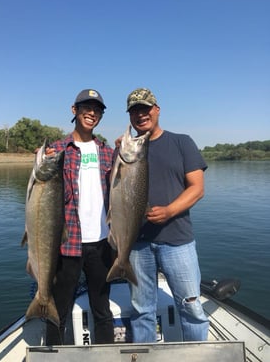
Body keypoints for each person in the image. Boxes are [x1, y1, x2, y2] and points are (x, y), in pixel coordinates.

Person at [125, 87, 209, 342]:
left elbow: (197, 189)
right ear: (130, 116)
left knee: (192, 307)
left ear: (157, 110)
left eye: (145, 108)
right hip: (137, 243)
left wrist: (170, 210)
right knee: (141, 310)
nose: (141, 114)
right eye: (134, 110)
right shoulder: (127, 149)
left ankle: (197, 361)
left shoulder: (181, 142)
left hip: (178, 242)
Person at [45, 89, 114, 345]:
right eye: (87, 107)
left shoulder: (108, 152)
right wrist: (40, 161)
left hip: (102, 242)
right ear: (74, 110)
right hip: (67, 243)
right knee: (58, 309)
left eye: (97, 109)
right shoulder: (56, 151)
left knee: (102, 310)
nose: (92, 113)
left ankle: (105, 359)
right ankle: (53, 360)